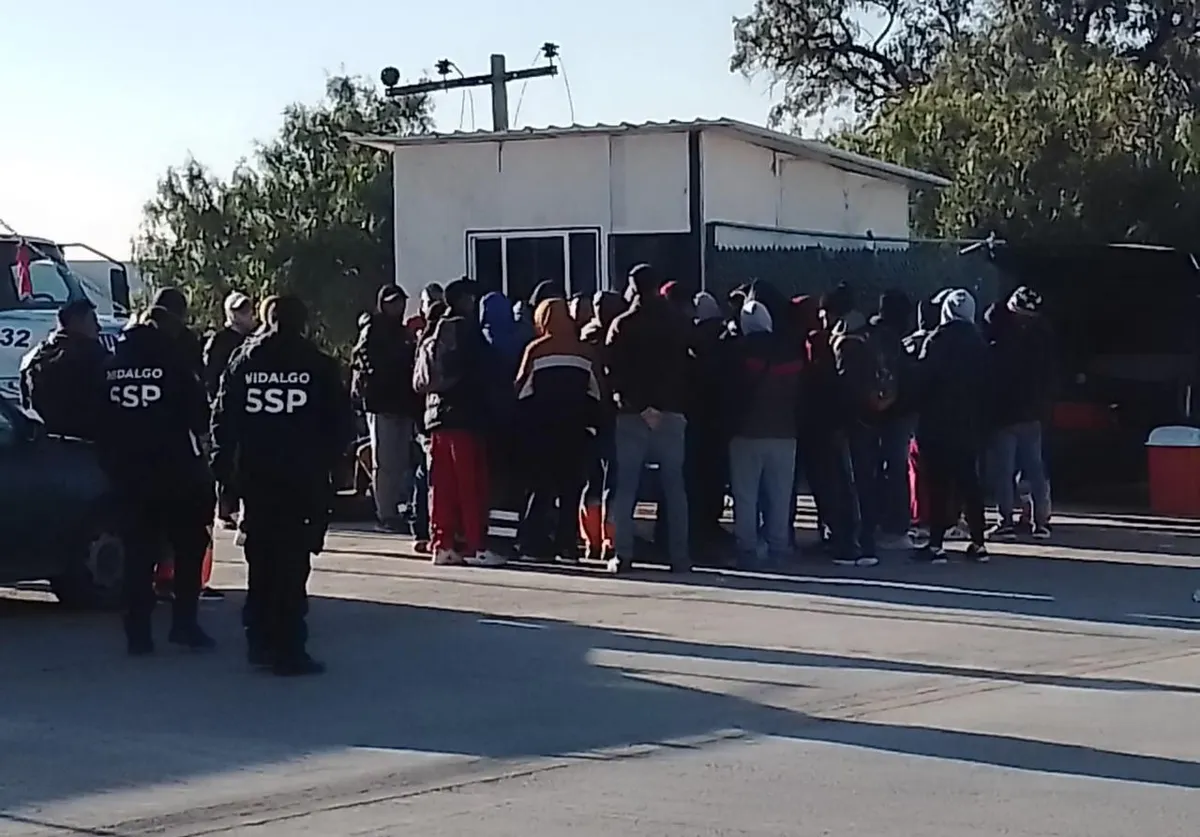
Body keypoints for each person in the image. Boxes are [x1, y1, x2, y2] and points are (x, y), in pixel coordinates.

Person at [211, 295, 354, 675]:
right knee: (292, 564)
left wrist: (225, 478)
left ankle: (259, 639)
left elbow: (223, 421)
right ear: (303, 322)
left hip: (257, 479)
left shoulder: (244, 361)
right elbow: (340, 423)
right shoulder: (317, 364)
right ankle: (289, 647)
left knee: (261, 560)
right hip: (301, 479)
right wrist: (336, 471)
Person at [99, 305, 214, 655]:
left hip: (127, 475)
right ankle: (184, 624)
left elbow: (96, 419)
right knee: (188, 549)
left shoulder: (110, 368)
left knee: (137, 554)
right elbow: (199, 415)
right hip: (175, 472)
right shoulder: (174, 366)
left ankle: (137, 632)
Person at [605, 263, 691, 575]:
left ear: (633, 286)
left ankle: (623, 554)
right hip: (671, 410)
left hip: (632, 413)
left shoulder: (623, 324)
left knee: (627, 486)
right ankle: (679, 556)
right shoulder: (678, 322)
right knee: (674, 486)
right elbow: (688, 365)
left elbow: (612, 369)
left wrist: (639, 404)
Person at [414, 278, 501, 567]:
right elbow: (485, 372)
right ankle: (475, 546)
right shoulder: (467, 330)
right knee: (471, 484)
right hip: (466, 416)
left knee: (441, 485)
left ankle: (442, 544)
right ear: (465, 300)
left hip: (437, 416)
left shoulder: (436, 328)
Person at [514, 298, 603, 562]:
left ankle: (533, 542)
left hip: (541, 431)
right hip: (575, 431)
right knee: (570, 489)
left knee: (541, 488)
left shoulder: (536, 349)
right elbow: (598, 392)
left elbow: (521, 389)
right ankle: (567, 544)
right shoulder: (585, 352)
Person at [913, 288, 990, 563]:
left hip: (937, 423)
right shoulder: (980, 343)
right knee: (970, 483)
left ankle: (936, 544)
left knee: (937, 485)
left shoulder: (936, 340)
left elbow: (923, 380)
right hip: (969, 423)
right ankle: (978, 542)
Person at [726, 299, 803, 568]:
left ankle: (747, 548)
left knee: (745, 495)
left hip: (745, 432)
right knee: (780, 495)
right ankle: (779, 546)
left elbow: (727, 391)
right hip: (785, 432)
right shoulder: (791, 350)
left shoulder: (737, 351)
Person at [826, 284, 889, 567]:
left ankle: (854, 545)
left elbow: (844, 387)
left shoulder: (847, 342)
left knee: (851, 483)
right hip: (871, 417)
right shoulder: (868, 334)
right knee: (866, 481)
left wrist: (838, 422)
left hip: (852, 421)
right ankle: (867, 542)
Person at [986, 285, 1055, 540]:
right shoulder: (1042, 338)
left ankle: (1006, 521)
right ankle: (1040, 522)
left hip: (1004, 413)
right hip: (1031, 413)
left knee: (1005, 470)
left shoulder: (996, 332)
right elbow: (1047, 376)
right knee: (1034, 468)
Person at [351, 285, 419, 532]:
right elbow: (362, 358)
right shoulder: (374, 328)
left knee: (400, 461)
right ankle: (385, 513)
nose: (397, 306)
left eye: (400, 301)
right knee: (385, 461)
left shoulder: (402, 332)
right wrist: (381, 376)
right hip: (382, 403)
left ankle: (396, 508)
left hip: (403, 403)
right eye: (392, 302)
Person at [685, 290, 736, 563]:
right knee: (715, 476)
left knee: (695, 477)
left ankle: (698, 528)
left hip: (697, 418)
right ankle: (710, 524)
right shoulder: (725, 340)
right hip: (719, 418)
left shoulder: (692, 342)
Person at [578, 290, 626, 561]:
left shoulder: (585, 337)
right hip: (613, 416)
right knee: (612, 483)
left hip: (589, 418)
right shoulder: (618, 336)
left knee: (591, 483)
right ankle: (610, 539)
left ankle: (590, 541)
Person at [203, 291, 257, 528]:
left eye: (246, 308)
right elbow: (211, 375)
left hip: (250, 410)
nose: (244, 314)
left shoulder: (256, 339)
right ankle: (224, 510)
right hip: (225, 408)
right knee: (225, 458)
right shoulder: (219, 341)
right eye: (239, 309)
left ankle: (243, 507)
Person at [20, 299, 109, 440]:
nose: (98, 328)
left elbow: (26, 403)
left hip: (46, 445)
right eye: (93, 321)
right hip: (87, 445)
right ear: (77, 323)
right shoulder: (93, 355)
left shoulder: (35, 357)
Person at [869, 290, 917, 549]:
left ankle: (876, 520)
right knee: (896, 469)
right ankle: (896, 526)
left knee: (876, 468)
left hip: (874, 411)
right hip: (896, 411)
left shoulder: (873, 334)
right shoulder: (894, 339)